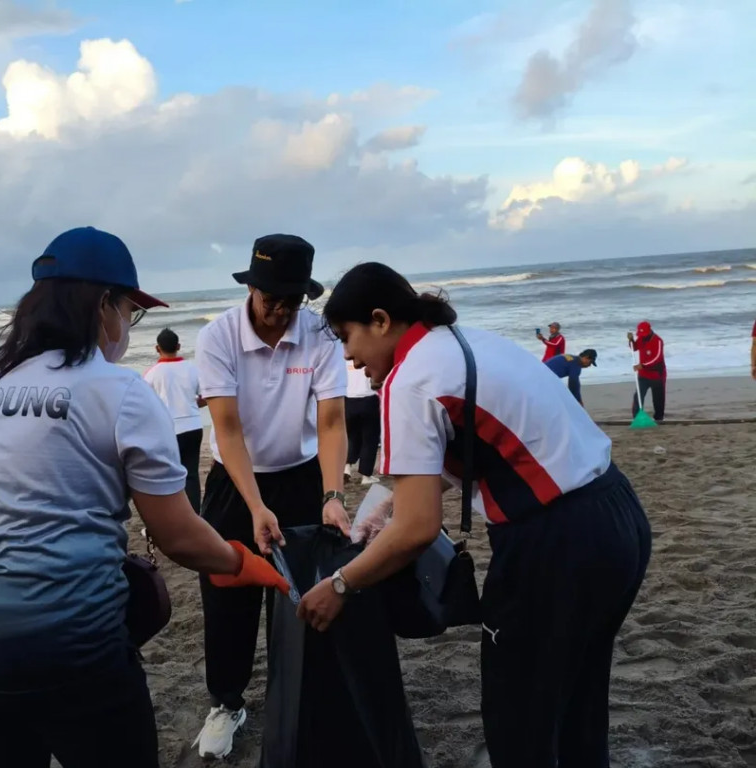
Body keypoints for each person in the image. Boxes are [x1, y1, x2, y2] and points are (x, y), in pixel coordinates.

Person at [0, 226, 290, 768]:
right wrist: (242, 563)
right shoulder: (120, 391)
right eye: (129, 312)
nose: (127, 328)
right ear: (102, 306)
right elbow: (179, 536)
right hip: (65, 642)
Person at [298, 262, 652, 768]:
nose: (348, 357)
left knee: (517, 717)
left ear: (380, 320)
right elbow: (489, 445)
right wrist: (384, 505)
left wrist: (339, 585)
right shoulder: (464, 341)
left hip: (553, 543)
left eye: (346, 337)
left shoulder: (410, 379)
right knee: (578, 702)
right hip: (618, 517)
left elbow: (418, 529)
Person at [191, 233, 349, 760]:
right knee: (227, 597)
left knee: (300, 594)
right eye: (271, 299)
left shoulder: (319, 334)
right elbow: (228, 428)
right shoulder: (217, 337)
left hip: (302, 479)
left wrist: (333, 494)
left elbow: (331, 421)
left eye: (292, 301)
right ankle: (227, 702)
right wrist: (257, 506)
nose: (280, 312)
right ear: (251, 289)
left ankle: (300, 696)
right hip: (235, 484)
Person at [143, 327, 206, 513]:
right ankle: (195, 514)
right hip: (193, 425)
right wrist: (192, 405)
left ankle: (176, 514)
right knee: (191, 474)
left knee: (170, 475)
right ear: (178, 346)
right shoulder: (192, 368)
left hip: (169, 429)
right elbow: (207, 396)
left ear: (157, 348)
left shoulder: (152, 373)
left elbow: (146, 405)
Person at [344, 357, 381, 485]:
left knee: (351, 436)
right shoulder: (369, 358)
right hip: (368, 399)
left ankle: (346, 468)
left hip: (349, 400)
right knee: (369, 439)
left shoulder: (344, 361)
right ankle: (366, 475)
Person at [628, 321, 666, 421]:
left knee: (658, 399)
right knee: (638, 396)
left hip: (657, 374)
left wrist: (643, 365)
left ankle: (658, 418)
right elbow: (634, 348)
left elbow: (656, 358)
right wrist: (631, 340)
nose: (642, 336)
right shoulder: (641, 338)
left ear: (649, 331)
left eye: (644, 334)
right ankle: (636, 418)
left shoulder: (658, 341)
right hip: (643, 375)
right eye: (640, 334)